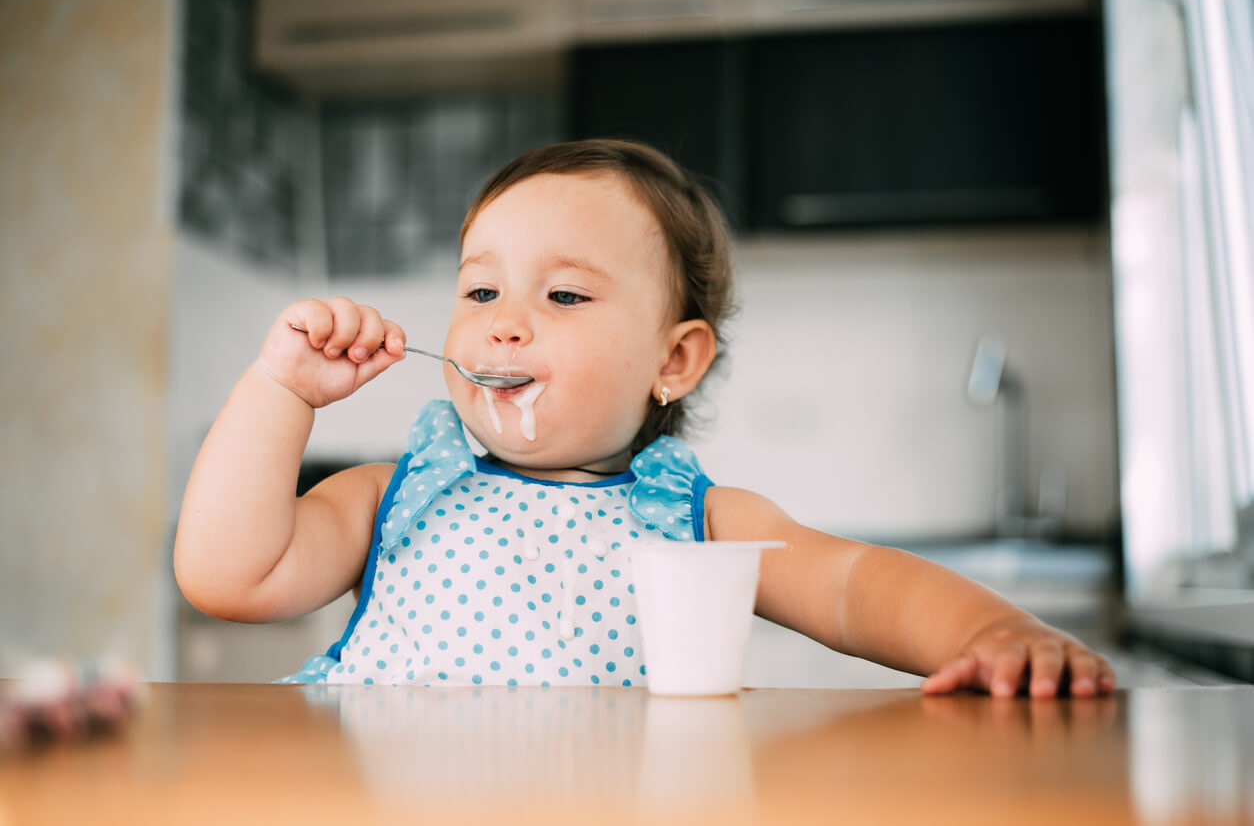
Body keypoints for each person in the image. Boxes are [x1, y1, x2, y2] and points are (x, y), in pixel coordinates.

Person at [174, 139, 1116, 697]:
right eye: (483, 287)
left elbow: (853, 585)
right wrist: (282, 390)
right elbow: (228, 573)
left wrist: (993, 635)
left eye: (567, 296)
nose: (505, 317)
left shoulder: (697, 523)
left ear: (673, 361)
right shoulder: (392, 496)